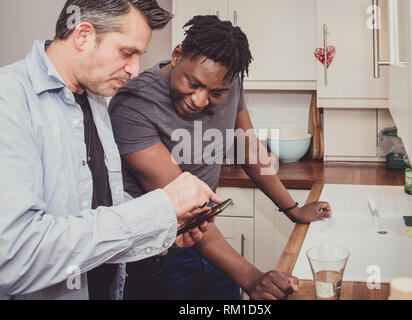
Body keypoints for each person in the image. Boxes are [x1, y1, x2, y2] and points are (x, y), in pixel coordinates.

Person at [0, 0, 219, 301]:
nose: (135, 70)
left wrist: (164, 224)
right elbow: (15, 257)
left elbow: (94, 207)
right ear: (83, 35)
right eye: (127, 53)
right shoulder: (9, 100)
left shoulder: (94, 98)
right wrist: (158, 208)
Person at [109, 15, 331, 300]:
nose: (200, 100)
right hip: (153, 259)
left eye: (215, 93)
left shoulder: (228, 83)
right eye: (193, 83)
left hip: (207, 242)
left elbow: (248, 149)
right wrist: (252, 278)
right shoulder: (133, 105)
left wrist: (292, 209)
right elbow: (184, 207)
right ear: (177, 55)